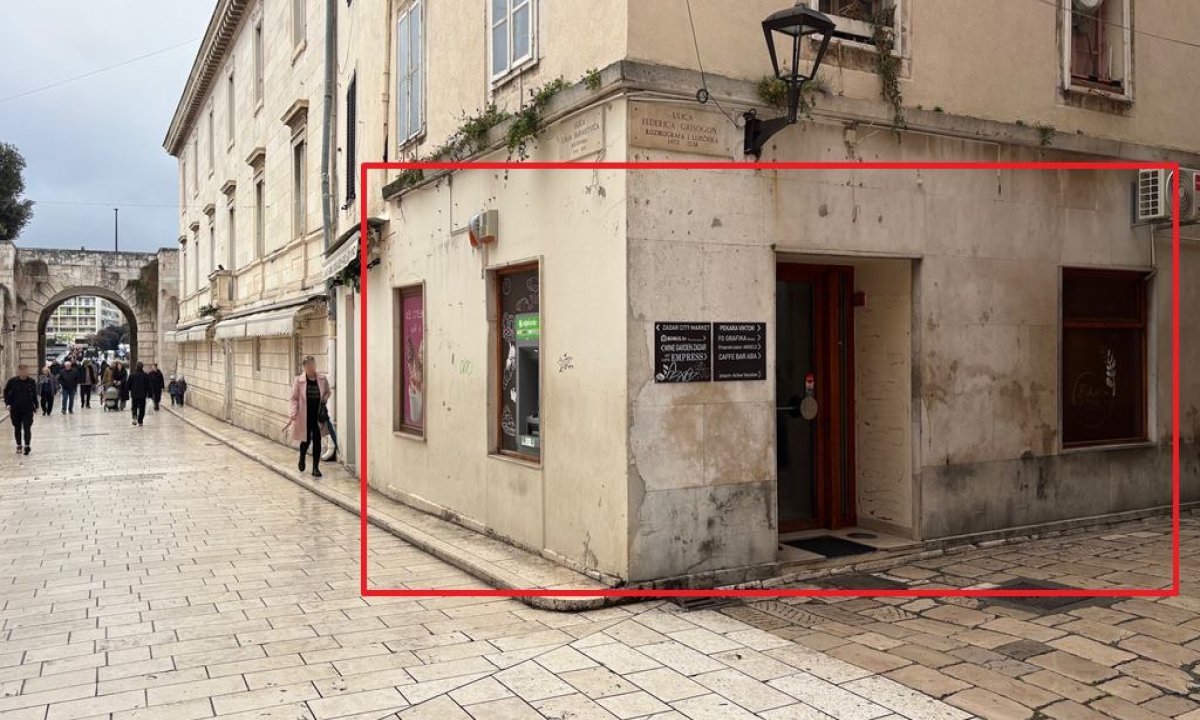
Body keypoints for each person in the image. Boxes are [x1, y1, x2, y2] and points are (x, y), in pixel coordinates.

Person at [287, 356, 330, 478]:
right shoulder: (299, 381)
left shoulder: (322, 379)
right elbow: (294, 399)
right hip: (304, 415)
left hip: (317, 416)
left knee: (317, 440)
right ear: (305, 367)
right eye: (309, 365)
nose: (311, 367)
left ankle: (315, 468)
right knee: (305, 441)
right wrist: (294, 412)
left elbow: (327, 392)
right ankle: (302, 457)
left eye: (313, 364)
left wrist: (324, 400)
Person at [4, 364, 38, 455]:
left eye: (26, 370)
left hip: (28, 409)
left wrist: (36, 405)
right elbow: (6, 392)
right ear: (19, 371)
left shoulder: (31, 381)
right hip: (15, 409)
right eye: (23, 371)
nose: (25, 372)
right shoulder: (12, 381)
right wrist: (7, 404)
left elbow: (34, 394)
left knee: (27, 427)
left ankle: (27, 446)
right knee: (17, 427)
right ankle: (19, 445)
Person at [126, 362, 150, 426]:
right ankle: (140, 420)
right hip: (142, 395)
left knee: (134, 406)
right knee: (142, 408)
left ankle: (134, 417)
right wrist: (148, 393)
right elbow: (148, 386)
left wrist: (131, 390)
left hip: (134, 394)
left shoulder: (132, 375)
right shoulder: (146, 375)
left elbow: (128, 385)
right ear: (142, 367)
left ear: (136, 367)